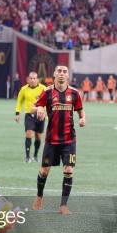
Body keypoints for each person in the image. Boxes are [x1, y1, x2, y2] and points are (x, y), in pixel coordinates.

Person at [32, 65, 86, 215]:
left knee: (68, 170)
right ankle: (39, 196)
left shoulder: (74, 93)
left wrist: (83, 119)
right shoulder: (47, 92)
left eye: (65, 72)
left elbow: (81, 112)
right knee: (44, 171)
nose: (62, 74)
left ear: (68, 76)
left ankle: (63, 205)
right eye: (59, 71)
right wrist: (40, 108)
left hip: (69, 140)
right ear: (54, 74)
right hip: (51, 140)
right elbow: (32, 108)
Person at [15, 71, 46, 162]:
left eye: (34, 78)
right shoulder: (24, 89)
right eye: (31, 78)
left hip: (40, 115)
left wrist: (47, 114)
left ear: (37, 80)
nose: (32, 80)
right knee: (29, 133)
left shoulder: (43, 88)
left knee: (38, 136)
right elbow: (19, 101)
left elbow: (48, 101)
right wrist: (17, 113)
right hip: (29, 115)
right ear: (28, 79)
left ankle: (35, 156)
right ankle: (27, 156)